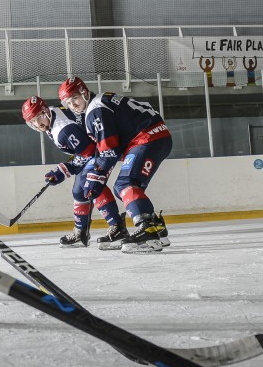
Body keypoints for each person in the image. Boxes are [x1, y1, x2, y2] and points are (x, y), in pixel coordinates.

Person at [58, 77, 173, 252]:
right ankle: (156, 227)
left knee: (124, 184)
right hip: (156, 136)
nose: (72, 105)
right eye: (67, 102)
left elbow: (109, 151)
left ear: (84, 92)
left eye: (74, 98)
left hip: (147, 138)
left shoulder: (94, 110)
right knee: (131, 188)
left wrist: (96, 175)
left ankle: (147, 230)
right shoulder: (101, 100)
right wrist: (98, 173)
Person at [20, 95, 126, 248]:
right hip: (97, 147)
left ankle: (116, 227)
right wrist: (63, 169)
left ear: (44, 111)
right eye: (32, 122)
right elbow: (82, 149)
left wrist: (64, 170)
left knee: (90, 186)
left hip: (101, 149)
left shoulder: (63, 129)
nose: (38, 124)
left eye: (38, 117)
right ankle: (82, 231)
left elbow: (88, 151)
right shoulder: (52, 114)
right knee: (80, 190)